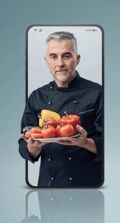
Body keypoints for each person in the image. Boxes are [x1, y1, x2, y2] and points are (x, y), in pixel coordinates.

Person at [18, 31, 103, 188]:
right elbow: (23, 145)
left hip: (88, 186)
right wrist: (33, 147)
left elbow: (110, 144)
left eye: (66, 56)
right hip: (48, 188)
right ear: (46, 61)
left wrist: (84, 142)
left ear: (77, 59)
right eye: (53, 57)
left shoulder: (98, 93)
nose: (60, 63)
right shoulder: (37, 96)